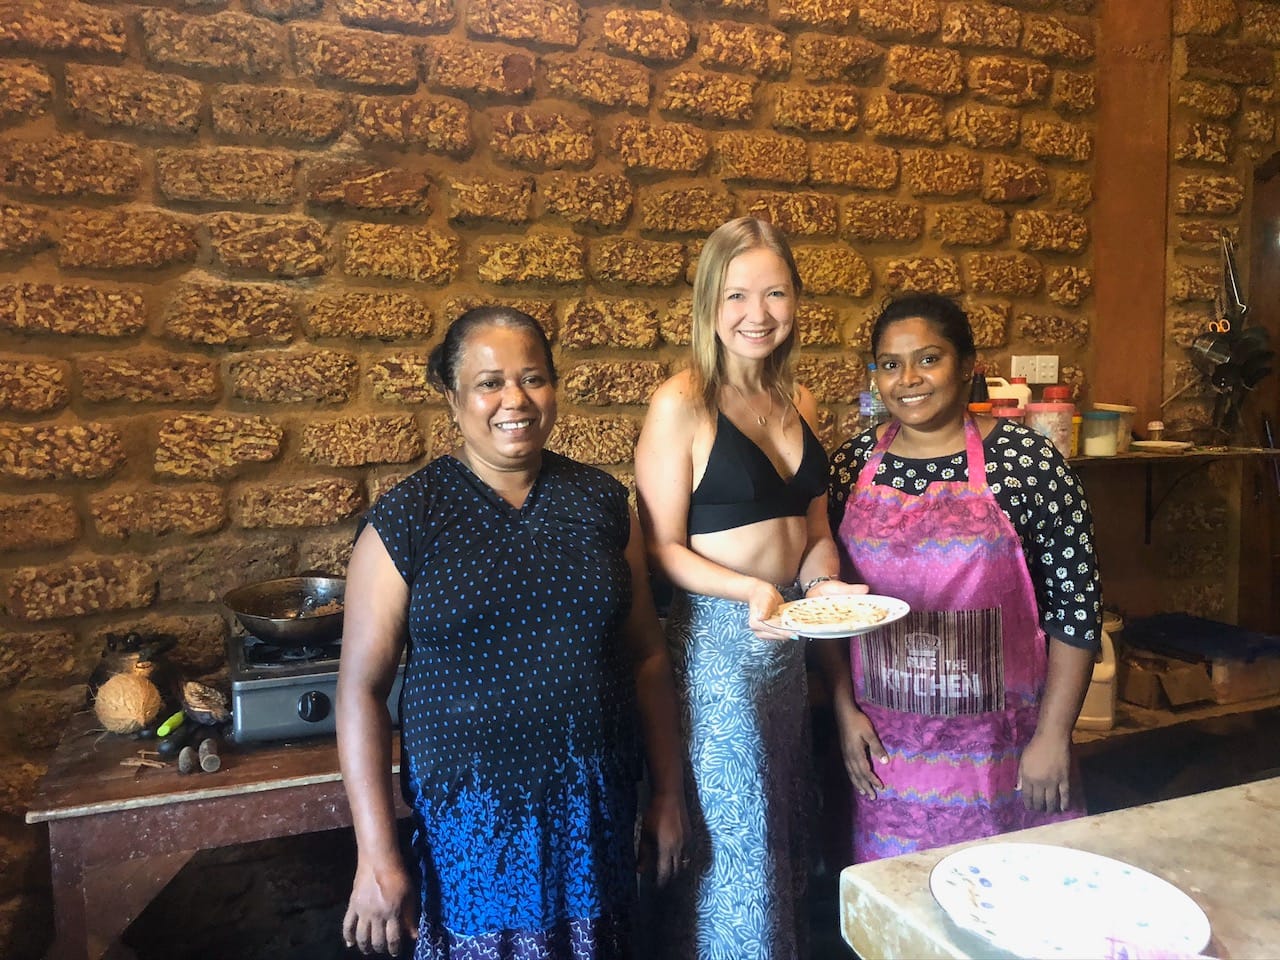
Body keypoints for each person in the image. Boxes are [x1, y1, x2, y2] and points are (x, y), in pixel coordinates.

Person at [336, 306, 687, 959]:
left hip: (596, 813)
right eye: (489, 382)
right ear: (453, 397)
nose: (514, 400)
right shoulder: (409, 518)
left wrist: (667, 793)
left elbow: (645, 657)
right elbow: (361, 688)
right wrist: (376, 854)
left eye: (533, 378)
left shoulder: (601, 504)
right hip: (472, 829)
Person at [634, 217, 863, 959]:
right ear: (709, 303)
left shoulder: (800, 402)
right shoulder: (682, 402)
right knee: (737, 860)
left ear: (796, 300)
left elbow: (815, 529)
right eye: (737, 295)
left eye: (775, 293)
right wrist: (748, 593)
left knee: (781, 842)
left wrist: (824, 584)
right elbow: (663, 548)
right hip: (715, 657)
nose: (757, 314)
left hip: (787, 647)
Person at [826, 292, 1102, 863]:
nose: (908, 379)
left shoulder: (1027, 462)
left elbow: (1076, 608)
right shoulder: (850, 465)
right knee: (898, 910)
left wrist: (1053, 737)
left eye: (929, 359)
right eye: (890, 364)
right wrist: (842, 710)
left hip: (1005, 749)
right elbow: (826, 601)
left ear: (969, 365)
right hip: (885, 752)